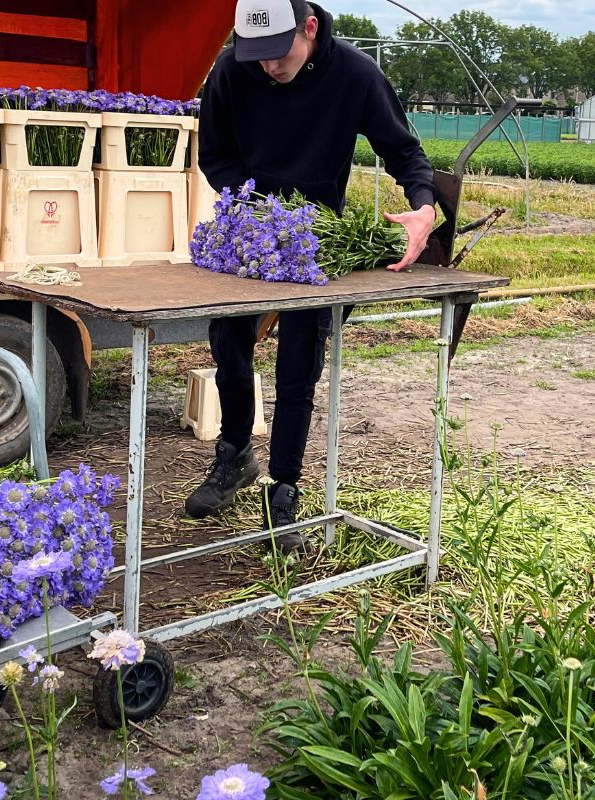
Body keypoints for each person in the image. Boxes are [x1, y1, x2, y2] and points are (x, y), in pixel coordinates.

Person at [185, 0, 437, 550]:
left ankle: (284, 489)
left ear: (310, 28)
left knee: (299, 359)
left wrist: (423, 206)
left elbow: (404, 151)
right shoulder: (232, 70)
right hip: (251, 233)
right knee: (228, 337)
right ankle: (234, 454)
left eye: (277, 53)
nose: (267, 66)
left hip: (316, 237)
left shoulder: (355, 75)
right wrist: (256, 214)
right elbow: (216, 156)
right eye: (255, 55)